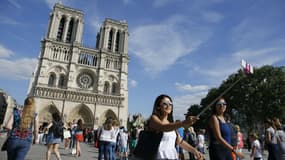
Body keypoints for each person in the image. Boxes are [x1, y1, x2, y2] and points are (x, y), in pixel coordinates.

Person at [147, 94, 203, 160]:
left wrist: (194, 151)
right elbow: (163, 127)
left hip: (171, 155)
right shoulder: (153, 118)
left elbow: (180, 141)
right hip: (158, 156)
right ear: (158, 106)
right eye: (165, 103)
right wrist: (183, 123)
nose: (168, 106)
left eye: (170, 104)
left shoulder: (171, 123)